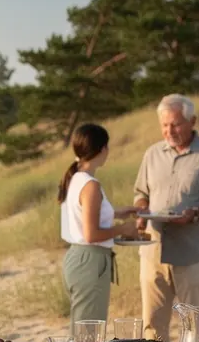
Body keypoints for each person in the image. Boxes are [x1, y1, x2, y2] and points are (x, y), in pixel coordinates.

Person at [134, 94, 199, 341]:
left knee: (197, 329)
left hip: (194, 255)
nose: (169, 130)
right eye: (164, 125)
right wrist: (141, 212)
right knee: (151, 330)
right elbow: (140, 193)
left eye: (176, 124)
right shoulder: (152, 154)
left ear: (193, 121)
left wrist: (196, 214)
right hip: (153, 253)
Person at [58, 123, 139, 326]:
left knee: (83, 330)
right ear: (102, 149)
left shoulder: (75, 177)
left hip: (78, 258)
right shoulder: (91, 185)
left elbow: (85, 214)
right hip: (90, 261)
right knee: (88, 335)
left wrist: (122, 211)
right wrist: (124, 228)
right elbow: (91, 234)